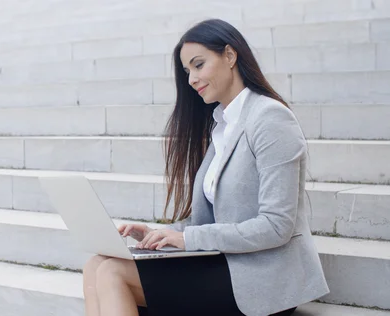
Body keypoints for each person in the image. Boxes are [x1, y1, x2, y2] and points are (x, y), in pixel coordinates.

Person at [82, 18, 330, 316]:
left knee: (112, 273)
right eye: (187, 71)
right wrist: (158, 234)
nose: (191, 80)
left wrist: (186, 240)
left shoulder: (270, 119)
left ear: (229, 55)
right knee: (96, 264)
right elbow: (210, 220)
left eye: (199, 65)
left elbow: (276, 227)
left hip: (263, 277)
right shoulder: (221, 125)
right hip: (225, 263)